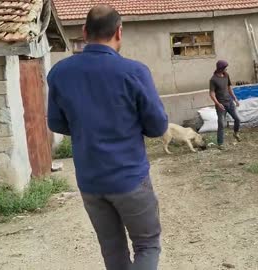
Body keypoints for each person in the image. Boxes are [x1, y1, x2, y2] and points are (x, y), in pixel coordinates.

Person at [47, 5, 168, 270]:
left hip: (90, 181)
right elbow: (158, 126)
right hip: (129, 179)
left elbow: (56, 123)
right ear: (119, 32)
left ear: (84, 32)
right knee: (147, 245)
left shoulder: (60, 72)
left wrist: (87, 127)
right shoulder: (134, 72)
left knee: (112, 252)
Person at [209, 60, 241, 149]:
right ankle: (220, 144)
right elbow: (212, 93)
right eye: (225, 67)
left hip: (230, 102)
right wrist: (217, 103)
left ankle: (236, 133)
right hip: (221, 106)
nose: (226, 69)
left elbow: (229, 88)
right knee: (221, 124)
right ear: (221, 68)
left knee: (237, 119)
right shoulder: (213, 79)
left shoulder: (226, 75)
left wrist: (235, 99)